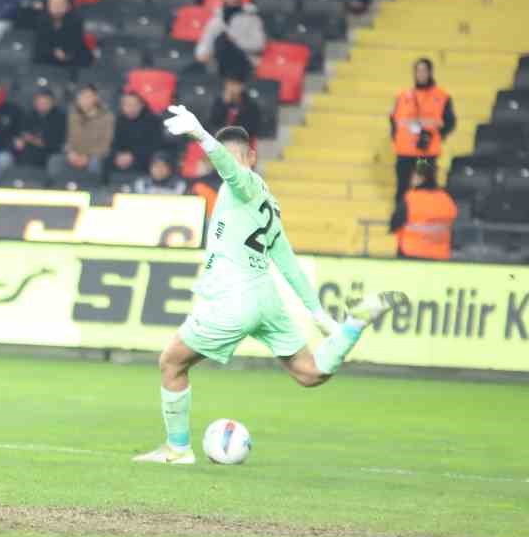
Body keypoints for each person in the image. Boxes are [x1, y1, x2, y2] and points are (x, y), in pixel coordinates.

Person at [134, 110, 401, 464]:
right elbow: (288, 262)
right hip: (265, 297)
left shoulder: (241, 185)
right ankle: (354, 324)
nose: (230, 166)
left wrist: (200, 134)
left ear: (250, 159)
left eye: (233, 159)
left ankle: (177, 449)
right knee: (309, 373)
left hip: (233, 298)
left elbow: (231, 171)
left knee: (171, 362)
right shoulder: (269, 204)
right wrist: (319, 314)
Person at [389, 57, 454, 200]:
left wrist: (435, 136)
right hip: (405, 153)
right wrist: (397, 139)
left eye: (424, 70)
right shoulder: (402, 96)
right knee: (402, 189)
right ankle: (402, 220)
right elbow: (393, 121)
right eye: (418, 70)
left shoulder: (441, 96)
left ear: (430, 72)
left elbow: (450, 122)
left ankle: (425, 219)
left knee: (425, 188)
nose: (420, 74)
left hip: (424, 154)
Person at [388, 159, 457, 260]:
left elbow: (395, 223)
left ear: (421, 178)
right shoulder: (446, 199)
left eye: (414, 176)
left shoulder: (410, 198)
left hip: (412, 252)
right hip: (440, 255)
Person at [195, 0, 266, 80]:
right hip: (219, 61)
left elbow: (259, 44)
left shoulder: (252, 19)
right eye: (228, 3)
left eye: (234, 3)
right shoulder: (216, 19)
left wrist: (236, 41)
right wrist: (202, 53)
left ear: (240, 1)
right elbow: (206, 40)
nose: (231, 6)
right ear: (224, 1)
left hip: (244, 60)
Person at [48, 84, 113, 183]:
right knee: (55, 160)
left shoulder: (107, 117)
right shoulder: (71, 116)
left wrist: (87, 157)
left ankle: (94, 191)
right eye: (81, 97)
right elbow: (66, 139)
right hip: (73, 154)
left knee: (95, 163)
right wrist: (70, 153)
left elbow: (105, 144)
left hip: (94, 156)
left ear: (96, 98)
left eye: (87, 97)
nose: (83, 100)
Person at [32, 0, 92, 67]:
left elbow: (76, 41)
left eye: (60, 4)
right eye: (53, 4)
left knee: (82, 58)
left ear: (68, 5)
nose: (57, 7)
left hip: (71, 54)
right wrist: (54, 52)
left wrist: (66, 54)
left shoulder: (76, 20)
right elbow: (40, 43)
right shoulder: (42, 20)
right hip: (48, 55)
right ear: (48, 6)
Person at [110, 91, 164, 178]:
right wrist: (117, 156)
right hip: (120, 158)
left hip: (142, 157)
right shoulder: (118, 121)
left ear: (142, 105)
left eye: (134, 105)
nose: (131, 108)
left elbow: (155, 145)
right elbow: (112, 143)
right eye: (127, 105)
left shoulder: (152, 121)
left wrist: (133, 156)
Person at [207, 75, 263, 139]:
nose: (231, 88)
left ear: (241, 86)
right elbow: (214, 121)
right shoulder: (219, 102)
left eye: (234, 85)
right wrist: (225, 104)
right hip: (222, 139)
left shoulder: (250, 105)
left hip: (242, 139)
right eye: (228, 85)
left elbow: (253, 127)